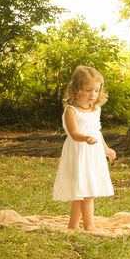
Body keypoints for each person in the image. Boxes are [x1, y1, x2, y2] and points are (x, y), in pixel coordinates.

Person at [53, 65, 116, 230]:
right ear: (76, 89)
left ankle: (72, 226)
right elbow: (74, 133)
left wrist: (106, 149)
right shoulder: (71, 111)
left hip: (93, 153)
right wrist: (85, 138)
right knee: (86, 192)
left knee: (83, 191)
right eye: (88, 90)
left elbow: (97, 132)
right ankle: (89, 226)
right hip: (79, 152)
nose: (93, 95)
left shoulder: (96, 109)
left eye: (96, 90)